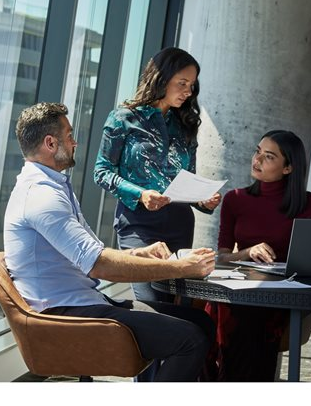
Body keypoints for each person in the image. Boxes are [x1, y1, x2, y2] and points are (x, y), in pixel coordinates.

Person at [3, 102, 216, 382]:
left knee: (200, 321)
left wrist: (139, 254)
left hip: (83, 302)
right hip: (67, 315)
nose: (75, 142)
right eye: (69, 135)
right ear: (50, 143)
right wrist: (182, 268)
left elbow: (94, 253)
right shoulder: (41, 197)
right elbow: (100, 265)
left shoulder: (53, 187)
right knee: (191, 339)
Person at [94, 47, 221, 303]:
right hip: (138, 223)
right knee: (152, 302)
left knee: (180, 302)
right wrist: (141, 194)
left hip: (180, 224)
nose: (188, 91)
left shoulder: (185, 124)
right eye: (182, 83)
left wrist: (203, 200)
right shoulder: (123, 118)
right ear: (161, 78)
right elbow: (101, 171)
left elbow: (188, 178)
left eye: (192, 85)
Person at [203, 130, 311, 381]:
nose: (257, 160)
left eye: (269, 156)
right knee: (230, 311)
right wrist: (247, 252)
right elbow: (222, 258)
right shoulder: (235, 199)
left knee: (248, 317)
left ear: (288, 168)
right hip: (240, 293)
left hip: (285, 297)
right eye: (257, 151)